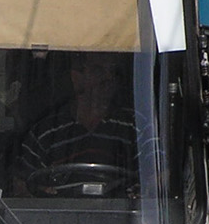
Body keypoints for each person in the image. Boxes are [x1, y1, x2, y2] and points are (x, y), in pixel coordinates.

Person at [14, 56, 141, 195]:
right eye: (98, 71)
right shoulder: (46, 132)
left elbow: (159, 177)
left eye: (115, 72)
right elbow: (21, 186)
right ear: (76, 78)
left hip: (124, 215)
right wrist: (41, 193)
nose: (108, 78)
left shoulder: (135, 127)